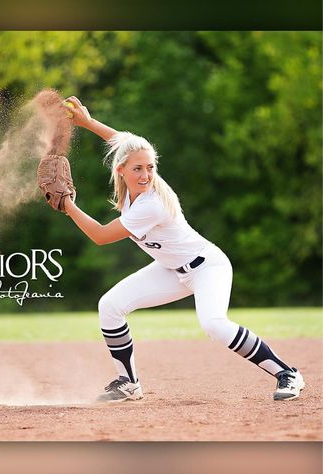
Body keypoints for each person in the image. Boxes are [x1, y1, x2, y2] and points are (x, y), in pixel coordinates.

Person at [60, 96, 305, 403]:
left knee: (214, 324)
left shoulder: (151, 202)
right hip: (170, 270)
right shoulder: (132, 185)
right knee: (110, 306)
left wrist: (67, 204)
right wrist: (88, 122)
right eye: (138, 168)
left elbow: (100, 236)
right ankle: (128, 382)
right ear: (121, 169)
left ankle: (288, 373)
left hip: (207, 267)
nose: (146, 174)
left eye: (150, 167)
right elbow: (123, 143)